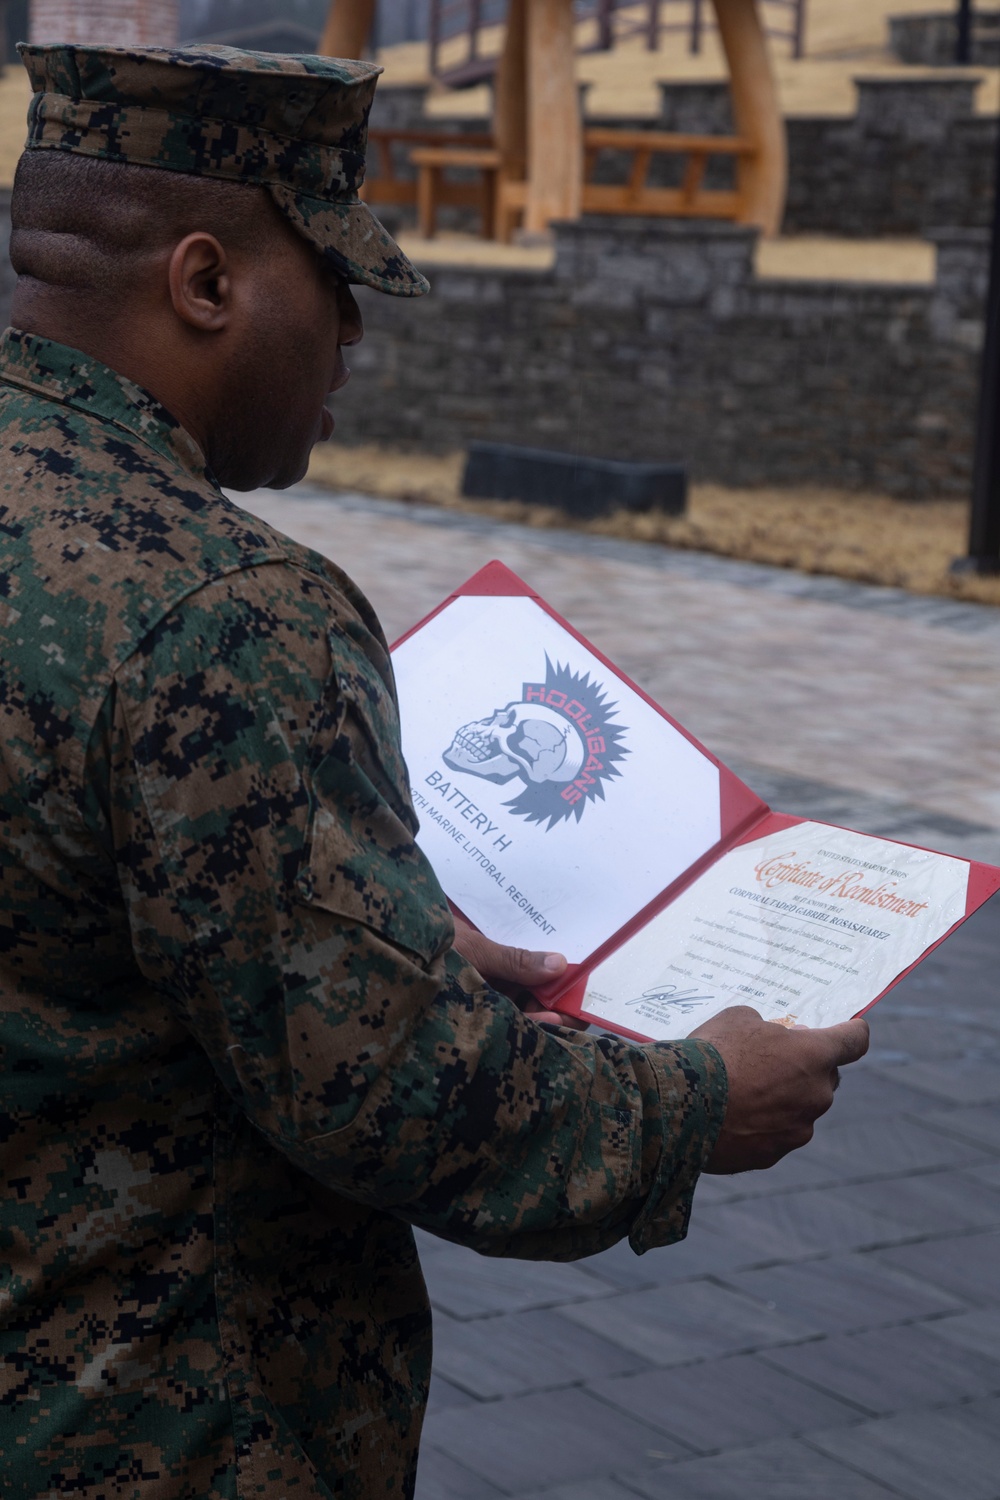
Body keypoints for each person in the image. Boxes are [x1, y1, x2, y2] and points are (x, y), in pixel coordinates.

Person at [0, 41, 869, 1500]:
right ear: (205, 284)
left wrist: (365, 932)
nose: (355, 340)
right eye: (335, 287)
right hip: (157, 1427)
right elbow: (397, 1098)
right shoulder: (225, 609)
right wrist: (702, 1104)